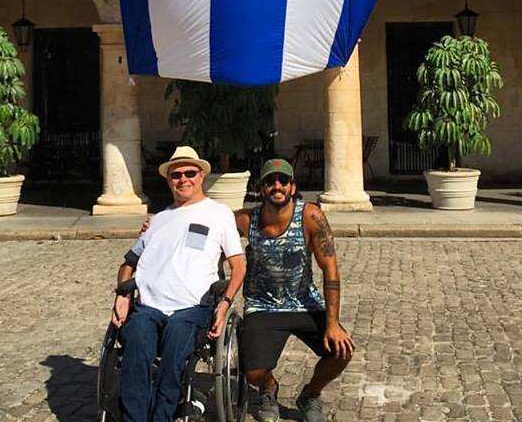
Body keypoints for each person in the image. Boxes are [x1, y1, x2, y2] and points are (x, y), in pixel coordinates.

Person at [111, 145, 246, 422]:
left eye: (189, 173)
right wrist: (122, 295)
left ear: (201, 176)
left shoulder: (219, 214)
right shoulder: (158, 220)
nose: (183, 179)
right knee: (134, 347)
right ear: (169, 180)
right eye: (176, 175)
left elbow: (239, 265)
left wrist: (225, 304)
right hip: (149, 307)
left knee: (174, 352)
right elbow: (128, 264)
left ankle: (163, 415)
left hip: (192, 306)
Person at [238, 158, 354, 422]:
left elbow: (331, 269)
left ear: (293, 186)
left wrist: (333, 323)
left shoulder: (310, 216)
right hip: (262, 306)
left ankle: (310, 395)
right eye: (270, 181)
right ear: (261, 188)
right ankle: (268, 388)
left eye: (283, 180)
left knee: (341, 351)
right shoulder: (247, 220)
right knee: (253, 372)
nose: (276, 185)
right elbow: (207, 222)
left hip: (304, 303)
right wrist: (159, 223)